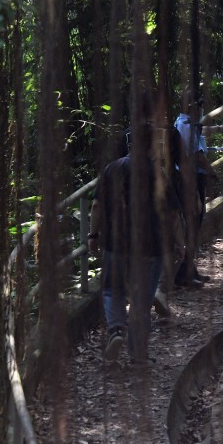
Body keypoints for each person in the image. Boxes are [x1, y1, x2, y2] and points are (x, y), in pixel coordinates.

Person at [88, 122, 183, 366]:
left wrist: (93, 235)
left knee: (112, 289)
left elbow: (96, 206)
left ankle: (116, 330)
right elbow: (172, 215)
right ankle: (138, 354)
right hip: (150, 246)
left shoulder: (112, 169)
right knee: (142, 299)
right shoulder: (158, 173)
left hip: (115, 243)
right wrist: (180, 243)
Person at [173, 87, 219, 287]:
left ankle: (190, 267)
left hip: (193, 177)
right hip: (189, 178)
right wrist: (212, 171)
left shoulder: (189, 123)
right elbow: (195, 155)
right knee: (191, 225)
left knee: (195, 224)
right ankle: (183, 273)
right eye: (200, 104)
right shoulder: (185, 125)